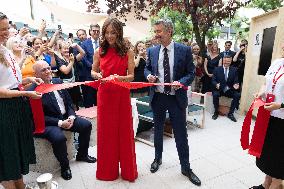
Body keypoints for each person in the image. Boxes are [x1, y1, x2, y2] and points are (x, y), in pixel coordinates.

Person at [144, 19, 201, 186]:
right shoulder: (152, 51)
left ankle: (186, 167)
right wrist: (149, 76)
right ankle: (157, 159)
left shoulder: (184, 50)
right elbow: (147, 68)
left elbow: (191, 73)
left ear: (169, 31)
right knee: (158, 130)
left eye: (159, 31)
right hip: (158, 97)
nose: (156, 35)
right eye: (155, 31)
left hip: (176, 98)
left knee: (181, 133)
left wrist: (181, 81)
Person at [31, 61, 96, 181]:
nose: (48, 71)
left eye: (48, 68)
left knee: (86, 125)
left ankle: (82, 155)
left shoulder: (58, 82)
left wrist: (71, 117)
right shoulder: (33, 90)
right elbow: (37, 116)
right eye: (43, 70)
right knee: (59, 138)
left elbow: (69, 103)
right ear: (36, 74)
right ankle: (65, 166)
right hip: (49, 122)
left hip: (66, 117)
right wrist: (60, 123)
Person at [91, 18, 138, 182]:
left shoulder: (128, 51)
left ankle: (128, 171)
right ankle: (107, 172)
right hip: (105, 96)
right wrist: (97, 75)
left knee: (124, 132)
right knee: (106, 134)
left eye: (113, 32)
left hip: (121, 95)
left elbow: (132, 76)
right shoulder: (99, 51)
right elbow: (93, 71)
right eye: (107, 33)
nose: (110, 36)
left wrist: (120, 78)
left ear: (119, 33)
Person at [0, 12, 43, 189]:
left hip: (15, 107)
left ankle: (21, 186)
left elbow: (10, 82)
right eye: (1, 29)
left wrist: (28, 80)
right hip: (4, 110)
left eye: (6, 28)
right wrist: (25, 94)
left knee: (16, 153)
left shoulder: (5, 50)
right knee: (7, 156)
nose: (6, 32)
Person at [250, 42, 284, 189]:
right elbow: (266, 82)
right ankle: (266, 184)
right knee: (268, 154)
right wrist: (261, 91)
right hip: (269, 116)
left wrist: (280, 106)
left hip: (282, 121)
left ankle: (276, 185)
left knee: (279, 159)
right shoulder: (277, 62)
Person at [211, 55, 240, 122]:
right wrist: (216, 84)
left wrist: (236, 84)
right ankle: (216, 112)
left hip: (229, 89)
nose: (226, 62)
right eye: (225, 61)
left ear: (231, 61)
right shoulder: (217, 69)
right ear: (223, 61)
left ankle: (231, 113)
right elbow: (213, 80)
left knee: (237, 95)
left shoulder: (234, 70)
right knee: (215, 95)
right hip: (219, 89)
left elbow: (236, 81)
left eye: (228, 61)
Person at [76, 29, 97, 108]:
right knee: (87, 97)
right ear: (77, 37)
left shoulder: (93, 43)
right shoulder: (76, 47)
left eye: (83, 34)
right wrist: (92, 66)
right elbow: (81, 59)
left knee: (96, 96)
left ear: (86, 34)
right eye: (79, 35)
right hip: (84, 75)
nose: (81, 36)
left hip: (95, 74)